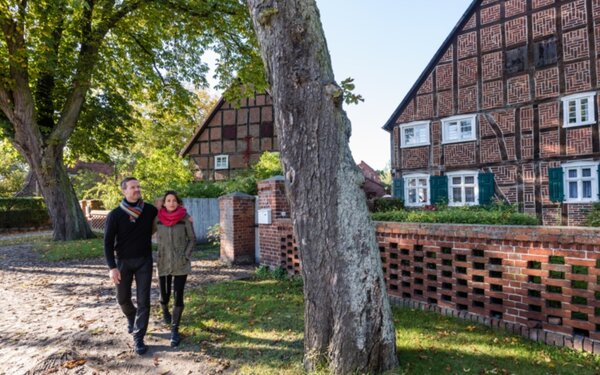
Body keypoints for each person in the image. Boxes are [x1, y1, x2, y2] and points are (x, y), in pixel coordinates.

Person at [104, 177, 158, 355]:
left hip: (144, 261)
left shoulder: (149, 210)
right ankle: (131, 317)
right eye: (133, 187)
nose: (137, 189)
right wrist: (112, 267)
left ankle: (138, 338)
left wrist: (185, 217)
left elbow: (167, 215)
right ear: (124, 191)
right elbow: (107, 243)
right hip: (122, 263)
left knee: (144, 300)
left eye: (138, 186)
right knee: (122, 299)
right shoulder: (115, 215)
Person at [155, 190, 195, 347]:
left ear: (178, 203)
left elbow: (192, 239)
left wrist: (185, 255)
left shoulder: (185, 219)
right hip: (163, 262)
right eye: (168, 200)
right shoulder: (157, 219)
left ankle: (174, 329)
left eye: (174, 200)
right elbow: (144, 232)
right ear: (164, 203)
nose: (171, 203)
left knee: (178, 296)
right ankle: (165, 310)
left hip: (180, 264)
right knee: (164, 295)